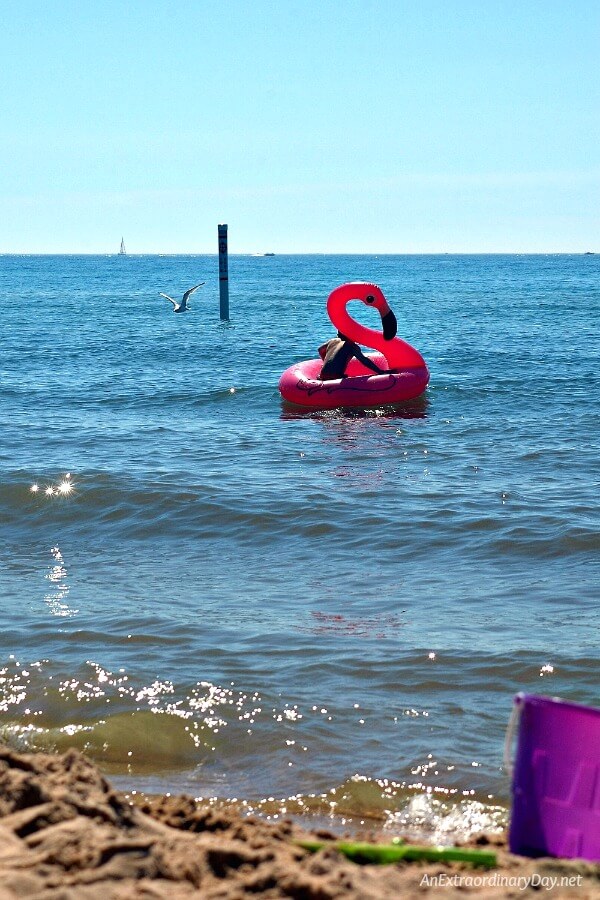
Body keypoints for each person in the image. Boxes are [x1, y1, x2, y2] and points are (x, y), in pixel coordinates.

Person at [318, 332, 390, 381]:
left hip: (322, 376)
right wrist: (380, 372)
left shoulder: (333, 341)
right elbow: (364, 360)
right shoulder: (352, 346)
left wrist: (325, 362)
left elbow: (320, 350)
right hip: (335, 377)